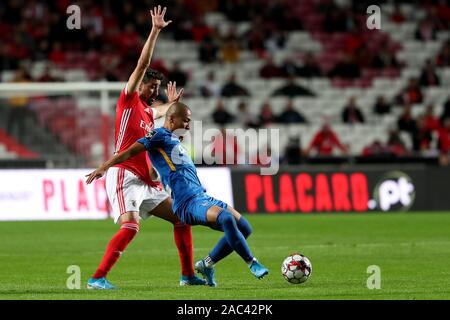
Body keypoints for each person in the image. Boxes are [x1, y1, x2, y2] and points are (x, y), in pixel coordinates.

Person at [86, 102, 269, 287]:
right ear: (172, 119)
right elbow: (130, 152)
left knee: (245, 228)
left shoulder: (174, 140)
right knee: (226, 219)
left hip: (202, 197)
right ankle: (251, 262)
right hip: (188, 202)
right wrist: (104, 167)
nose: (188, 126)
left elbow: (154, 171)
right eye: (186, 121)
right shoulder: (157, 135)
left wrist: (158, 173)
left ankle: (203, 266)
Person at [86, 6, 204, 290]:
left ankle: (187, 276)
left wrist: (173, 104)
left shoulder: (149, 113)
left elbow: (162, 110)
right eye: (150, 86)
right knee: (131, 226)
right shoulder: (128, 100)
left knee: (181, 218)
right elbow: (141, 65)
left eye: (156, 88)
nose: (153, 92)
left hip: (145, 179)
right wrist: (155, 30)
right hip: (123, 174)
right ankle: (96, 278)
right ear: (140, 86)